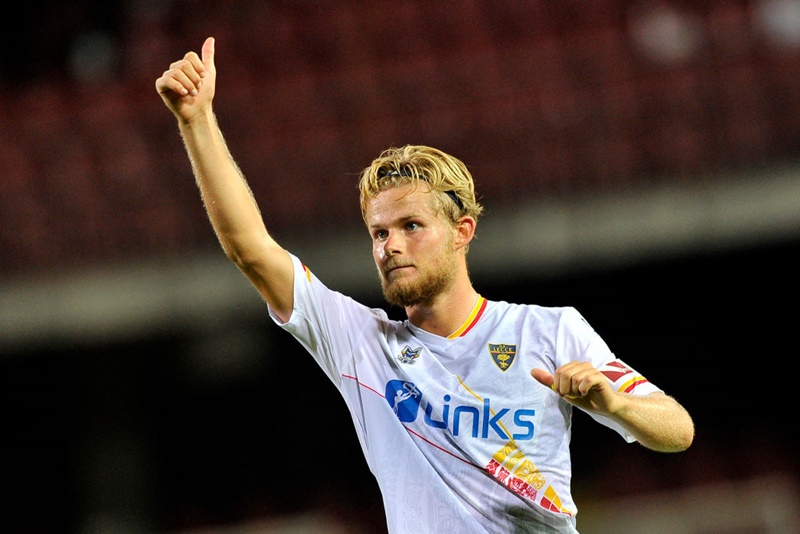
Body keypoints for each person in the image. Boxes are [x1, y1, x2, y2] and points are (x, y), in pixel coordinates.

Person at [156, 37, 694, 534]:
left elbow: (677, 429)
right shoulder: (363, 345)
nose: (390, 246)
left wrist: (617, 406)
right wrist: (197, 120)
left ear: (463, 231)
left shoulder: (548, 329)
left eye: (411, 226)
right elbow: (251, 249)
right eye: (379, 233)